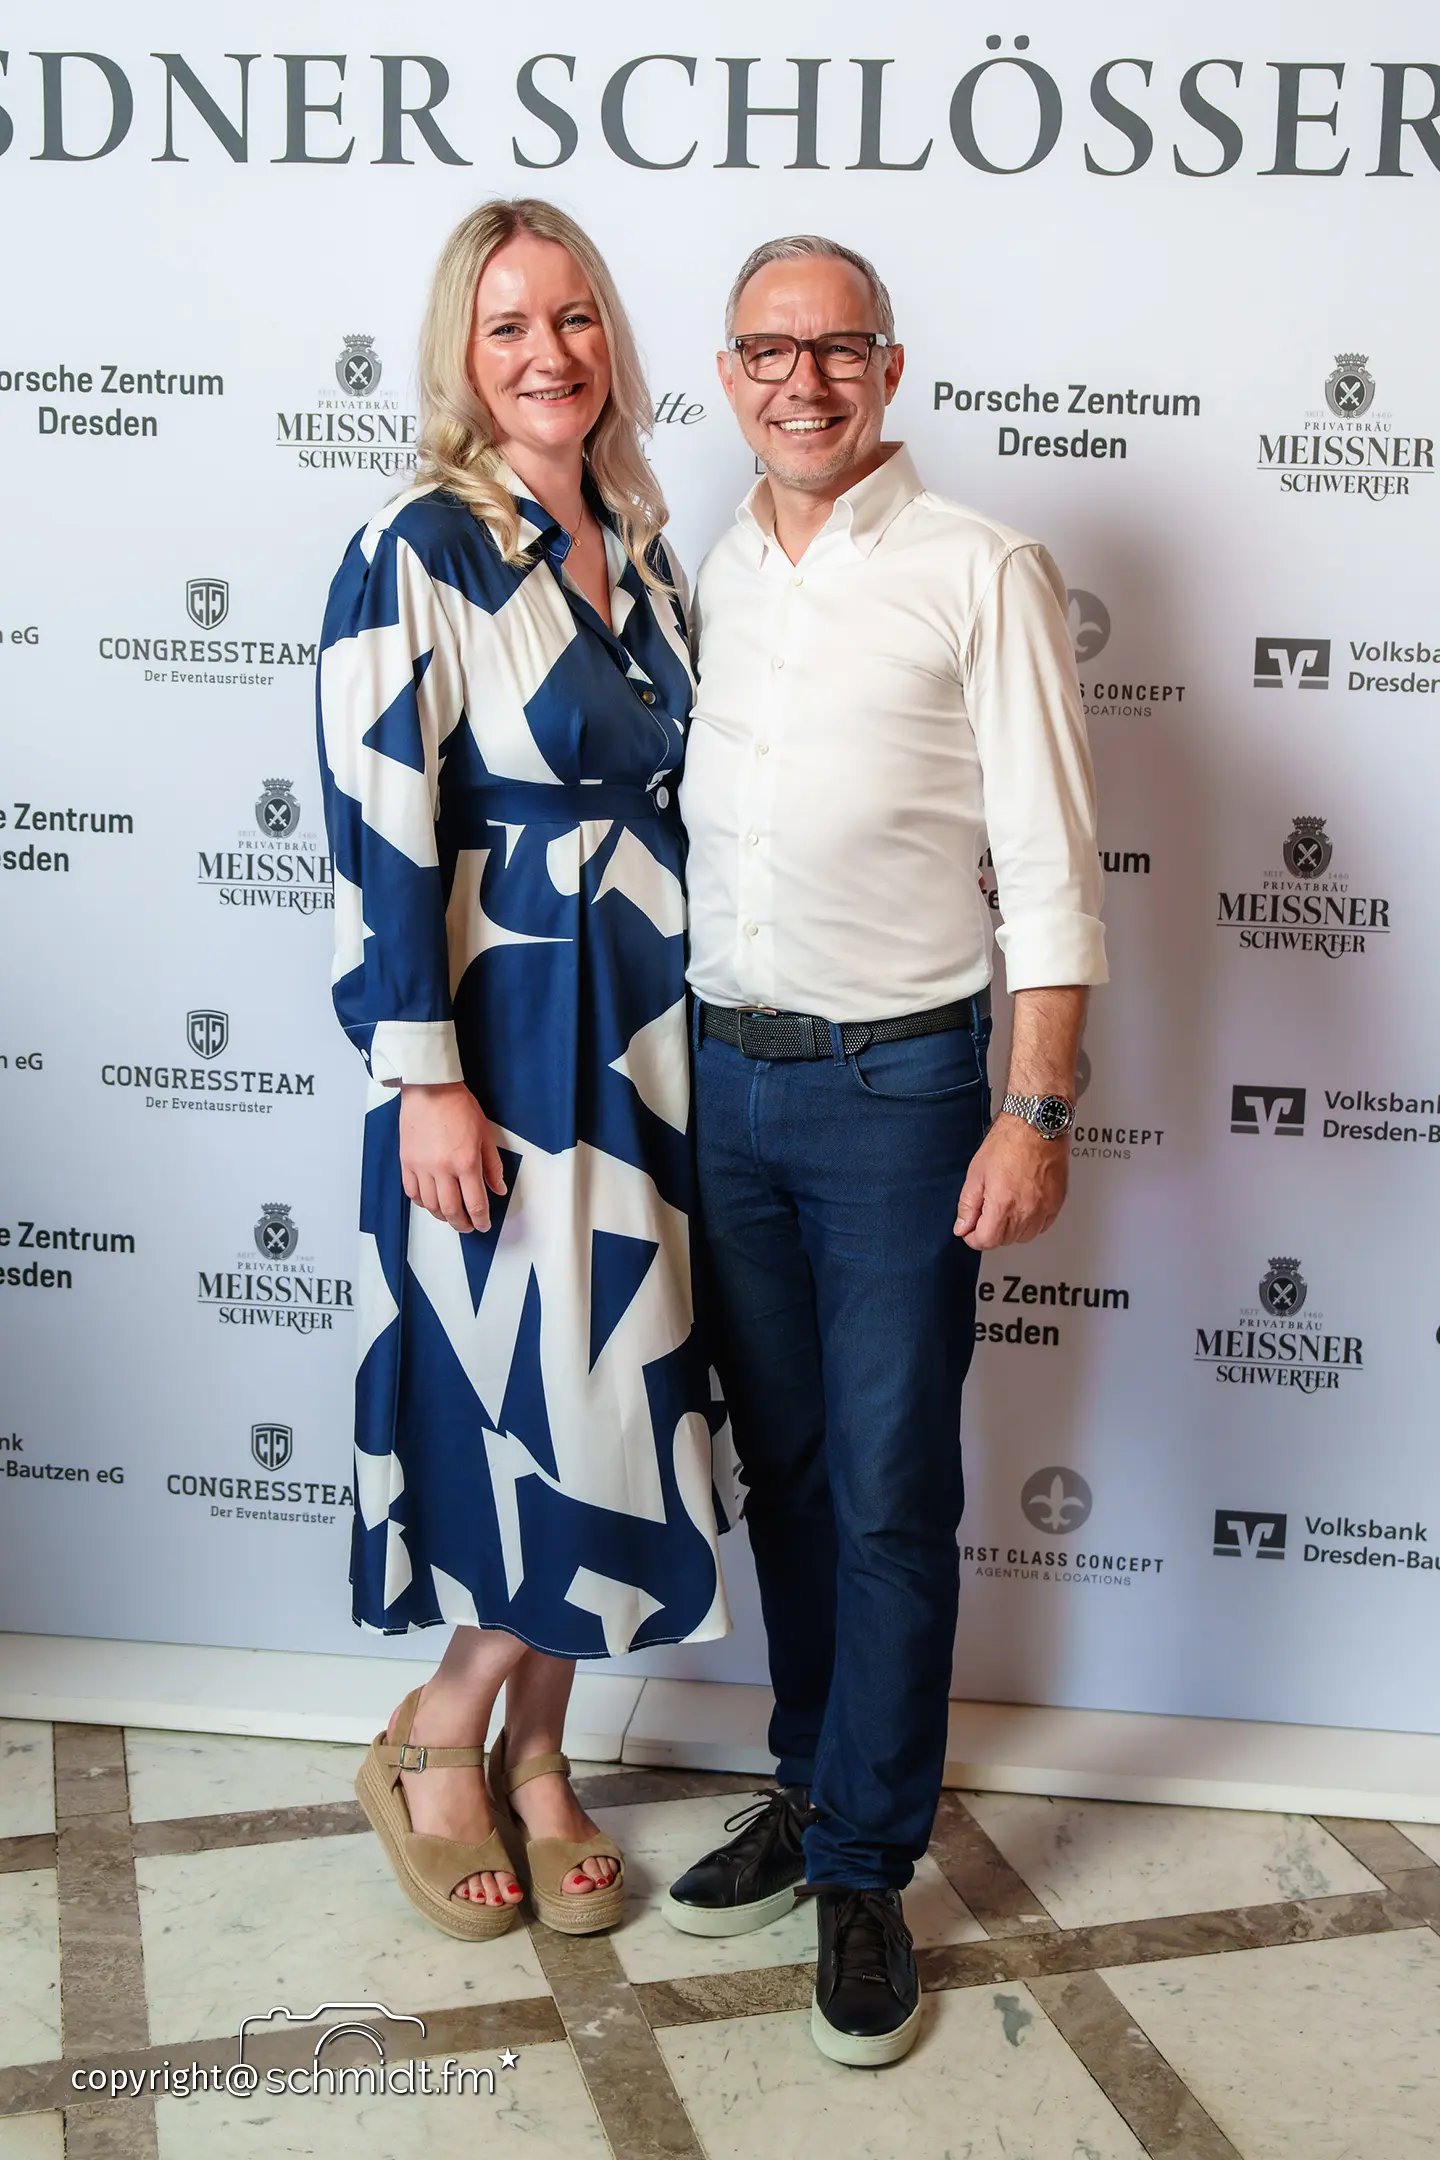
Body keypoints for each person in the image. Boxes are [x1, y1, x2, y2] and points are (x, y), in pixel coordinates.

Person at [665, 235, 1107, 2064]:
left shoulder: (979, 567)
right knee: (782, 1473)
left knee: (889, 1492)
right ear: (727, 374)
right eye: (770, 353)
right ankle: (811, 1778)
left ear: (890, 368)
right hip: (726, 1086)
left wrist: (1037, 1105)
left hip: (902, 1095)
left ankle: (864, 1861)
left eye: (837, 349)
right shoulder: (711, 566)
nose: (804, 381)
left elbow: (1055, 865)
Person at [316, 197, 730, 1943]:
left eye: (573, 317)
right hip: (505, 1039)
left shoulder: (641, 541)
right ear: (460, 357)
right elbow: (380, 824)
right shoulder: (413, 544)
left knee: (616, 1394)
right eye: (507, 326)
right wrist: (425, 1075)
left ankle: (542, 1751)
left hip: (653, 1042)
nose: (549, 353)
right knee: (531, 1406)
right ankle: (439, 1733)